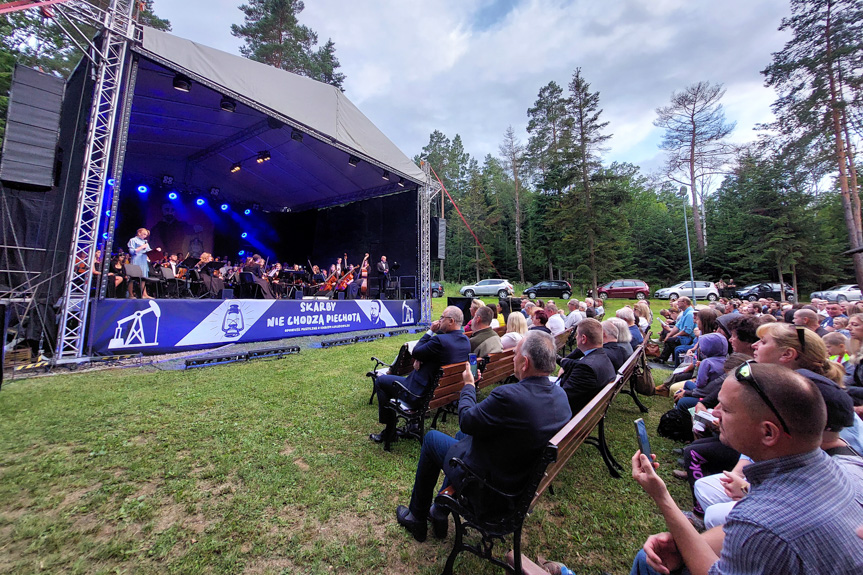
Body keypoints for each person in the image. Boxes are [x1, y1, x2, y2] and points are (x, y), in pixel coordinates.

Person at [630, 363, 863, 575]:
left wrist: (661, 497)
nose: (716, 412)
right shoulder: (841, 471)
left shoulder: (762, 522)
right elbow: (736, 532)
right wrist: (685, 542)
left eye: (727, 409)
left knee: (651, 564)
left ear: (768, 432)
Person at [394, 331, 571, 542]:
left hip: (492, 489)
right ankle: (439, 511)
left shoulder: (509, 396)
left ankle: (417, 517)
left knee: (432, 439)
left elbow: (467, 420)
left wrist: (468, 386)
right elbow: (479, 425)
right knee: (460, 436)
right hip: (518, 478)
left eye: (515, 354)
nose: (513, 358)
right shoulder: (560, 396)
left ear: (525, 363)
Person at [371, 306, 470, 446]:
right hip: (440, 393)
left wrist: (431, 331)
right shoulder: (464, 341)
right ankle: (411, 425)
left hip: (418, 395)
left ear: (451, 321)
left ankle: (389, 431)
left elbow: (417, 351)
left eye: (442, 318)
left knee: (381, 381)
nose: (439, 321)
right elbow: (438, 357)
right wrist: (421, 360)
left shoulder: (439, 341)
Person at [557, 318, 616, 415]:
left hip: (568, 415)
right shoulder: (601, 357)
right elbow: (574, 365)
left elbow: (561, 398)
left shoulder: (586, 368)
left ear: (583, 339)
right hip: (586, 411)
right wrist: (558, 359)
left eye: (577, 335)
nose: (576, 338)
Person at [658, 296, 695, 365]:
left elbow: (687, 331)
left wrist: (674, 336)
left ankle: (672, 360)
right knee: (669, 338)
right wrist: (669, 335)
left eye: (679, 302)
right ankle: (662, 359)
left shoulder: (689, 314)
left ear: (685, 303)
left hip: (689, 339)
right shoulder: (685, 313)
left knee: (671, 341)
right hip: (684, 336)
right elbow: (677, 326)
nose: (677, 304)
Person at [127, 228, 153, 299]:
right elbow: (132, 252)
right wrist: (141, 247)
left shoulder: (145, 242)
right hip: (136, 260)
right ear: (139, 233)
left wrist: (156, 250)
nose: (145, 236)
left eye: (146, 235)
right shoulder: (133, 240)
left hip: (143, 260)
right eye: (144, 234)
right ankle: (131, 294)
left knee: (143, 278)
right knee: (132, 277)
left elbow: (149, 251)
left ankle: (144, 294)